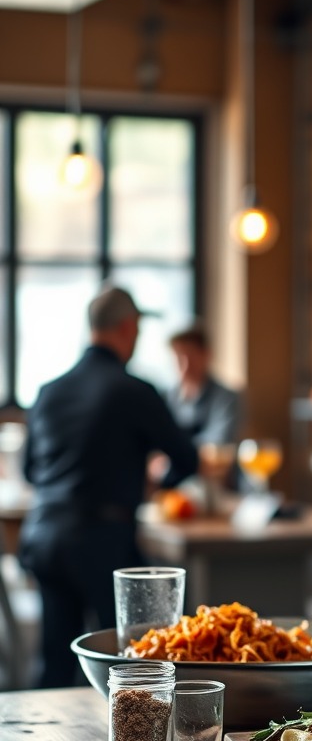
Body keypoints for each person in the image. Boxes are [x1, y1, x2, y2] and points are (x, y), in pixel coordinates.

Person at [19, 286, 199, 688]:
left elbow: (30, 471)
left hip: (44, 537)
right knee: (130, 665)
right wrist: (155, 484)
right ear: (127, 327)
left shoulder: (48, 392)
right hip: (101, 542)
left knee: (55, 662)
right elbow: (186, 458)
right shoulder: (133, 390)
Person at [164, 319, 241, 448]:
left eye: (191, 357)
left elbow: (219, 442)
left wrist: (175, 451)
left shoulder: (227, 398)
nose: (186, 366)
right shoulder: (167, 397)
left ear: (207, 355)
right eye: (179, 358)